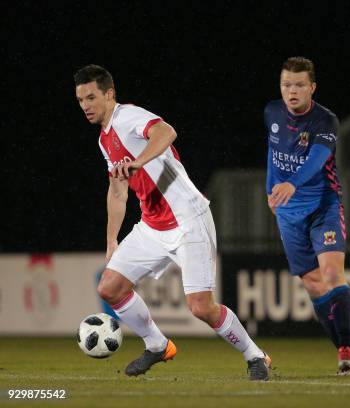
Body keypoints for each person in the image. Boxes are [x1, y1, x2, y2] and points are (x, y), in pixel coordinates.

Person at [74, 64, 271, 380]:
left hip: (188, 220)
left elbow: (167, 131)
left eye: (91, 97)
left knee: (201, 308)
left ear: (109, 95)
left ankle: (255, 355)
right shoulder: (104, 140)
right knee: (110, 287)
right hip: (152, 226)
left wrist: (138, 161)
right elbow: (116, 190)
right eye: (80, 99)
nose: (85, 105)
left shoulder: (127, 117)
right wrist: (112, 241)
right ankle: (157, 344)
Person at [264, 57, 350, 375]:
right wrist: (271, 191)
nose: (291, 91)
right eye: (286, 85)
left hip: (323, 206)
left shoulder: (325, 120)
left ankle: (347, 350)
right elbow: (273, 153)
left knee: (333, 274)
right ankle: (346, 351)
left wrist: (292, 184)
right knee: (312, 283)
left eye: (298, 85)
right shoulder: (271, 112)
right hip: (288, 212)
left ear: (312, 87)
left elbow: (319, 158)